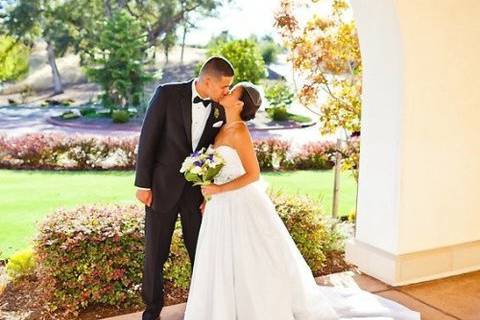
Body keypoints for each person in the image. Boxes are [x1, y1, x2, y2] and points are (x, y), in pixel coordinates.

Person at [183, 82, 421, 320]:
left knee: (251, 260)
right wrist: (210, 191)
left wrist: (219, 188)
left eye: (232, 90)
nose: (227, 91)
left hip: (241, 204)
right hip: (221, 205)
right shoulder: (221, 126)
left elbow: (253, 174)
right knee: (223, 261)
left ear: (240, 103)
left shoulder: (239, 131)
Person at [134, 56, 235, 320]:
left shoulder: (219, 111)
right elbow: (148, 139)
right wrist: (143, 184)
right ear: (208, 81)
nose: (227, 92)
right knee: (156, 253)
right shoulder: (167, 94)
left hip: (195, 195)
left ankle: (202, 307)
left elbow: (216, 152)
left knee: (200, 251)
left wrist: (209, 189)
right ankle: (152, 310)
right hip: (161, 188)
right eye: (224, 87)